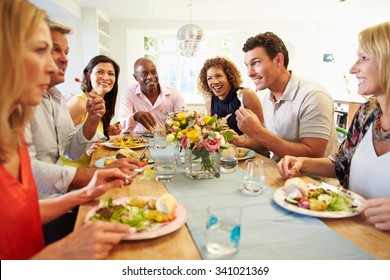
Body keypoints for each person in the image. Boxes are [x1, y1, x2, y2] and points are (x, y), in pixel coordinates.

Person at [0, 0, 133, 259]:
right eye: (42, 51)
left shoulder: (47, 103)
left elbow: (18, 211)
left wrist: (82, 194)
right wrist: (61, 255)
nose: (55, 64)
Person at [23, 19, 139, 244]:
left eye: (66, 51)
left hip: (62, 200)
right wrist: (90, 177)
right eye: (55, 49)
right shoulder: (17, 100)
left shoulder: (55, 97)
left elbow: (70, 151)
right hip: (37, 213)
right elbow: (27, 171)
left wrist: (93, 120)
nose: (65, 58)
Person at [277, 22, 390, 231]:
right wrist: (302, 162)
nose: (353, 68)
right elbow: (342, 163)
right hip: (353, 231)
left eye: (364, 58)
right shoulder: (366, 114)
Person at [233, 32, 339, 162]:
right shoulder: (268, 98)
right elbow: (272, 143)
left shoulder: (313, 95)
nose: (250, 73)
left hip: (311, 180)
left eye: (256, 63)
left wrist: (258, 132)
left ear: (278, 60)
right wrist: (242, 141)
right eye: (247, 66)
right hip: (279, 173)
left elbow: (313, 155)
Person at [64, 55, 122, 167]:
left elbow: (83, 130)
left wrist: (106, 130)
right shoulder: (79, 103)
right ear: (88, 75)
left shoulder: (101, 103)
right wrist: (85, 151)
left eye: (111, 74)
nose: (106, 77)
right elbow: (58, 146)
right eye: (100, 72)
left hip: (92, 168)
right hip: (73, 175)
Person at [197, 56, 264, 135]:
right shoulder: (210, 100)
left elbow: (261, 132)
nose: (214, 81)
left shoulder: (246, 95)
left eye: (218, 76)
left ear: (229, 77)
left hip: (246, 146)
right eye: (209, 78)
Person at [118, 57, 187, 133]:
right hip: (139, 143)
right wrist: (135, 117)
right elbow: (121, 127)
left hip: (167, 141)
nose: (150, 77)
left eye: (153, 72)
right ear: (136, 77)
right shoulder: (129, 93)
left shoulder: (174, 94)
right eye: (144, 74)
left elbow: (185, 122)